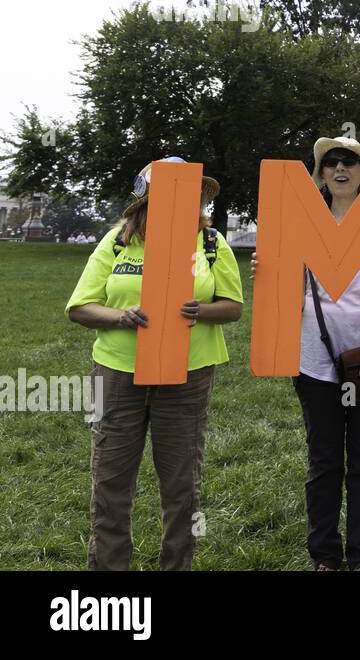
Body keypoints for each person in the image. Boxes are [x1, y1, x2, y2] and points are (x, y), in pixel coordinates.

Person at [66, 157, 244, 570]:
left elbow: (233, 307)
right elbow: (79, 307)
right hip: (117, 376)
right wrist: (121, 317)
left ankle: (177, 565)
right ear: (147, 198)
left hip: (187, 376)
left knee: (182, 483)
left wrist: (200, 309)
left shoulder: (213, 244)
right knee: (110, 481)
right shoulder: (116, 242)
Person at [252, 135, 360, 570]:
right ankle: (324, 555)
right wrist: (265, 273)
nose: (340, 169)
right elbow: (285, 286)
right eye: (331, 163)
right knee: (324, 462)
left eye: (350, 162)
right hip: (315, 362)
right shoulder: (302, 224)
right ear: (320, 175)